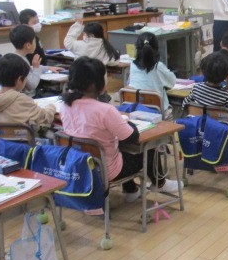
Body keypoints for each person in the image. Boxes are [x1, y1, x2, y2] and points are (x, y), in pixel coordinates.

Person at [61, 57, 179, 202]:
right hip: (108, 170)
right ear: (95, 84)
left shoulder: (65, 106)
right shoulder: (105, 110)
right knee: (149, 147)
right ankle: (160, 183)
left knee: (117, 147)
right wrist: (128, 123)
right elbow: (132, 136)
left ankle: (131, 190)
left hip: (80, 165)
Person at [182, 52, 228, 166]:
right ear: (225, 75)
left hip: (199, 130)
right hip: (219, 133)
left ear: (203, 71)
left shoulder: (196, 88)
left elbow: (185, 105)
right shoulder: (225, 95)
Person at [0, 53, 56, 128]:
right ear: (19, 79)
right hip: (18, 135)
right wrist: (51, 106)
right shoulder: (21, 100)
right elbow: (45, 118)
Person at [129, 32, 177, 112]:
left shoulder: (132, 65)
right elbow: (172, 82)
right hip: (157, 111)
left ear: (137, 48)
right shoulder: (158, 66)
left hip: (136, 109)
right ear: (156, 48)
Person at [9, 25, 61, 97]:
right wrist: (36, 68)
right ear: (28, 45)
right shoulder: (21, 62)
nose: (35, 43)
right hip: (30, 97)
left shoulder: (17, 57)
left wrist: (48, 68)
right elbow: (32, 85)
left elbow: (29, 69)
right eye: (34, 41)